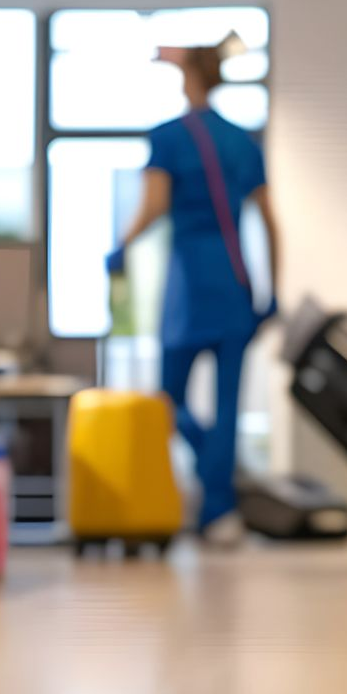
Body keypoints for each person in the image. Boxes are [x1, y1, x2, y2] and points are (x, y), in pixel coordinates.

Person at [106, 44, 280, 546]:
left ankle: (212, 483)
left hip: (188, 283)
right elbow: (270, 222)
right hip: (235, 282)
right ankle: (219, 503)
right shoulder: (243, 143)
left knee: (170, 398)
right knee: (228, 407)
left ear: (187, 79)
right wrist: (273, 291)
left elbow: (155, 205)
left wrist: (121, 245)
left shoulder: (167, 138)